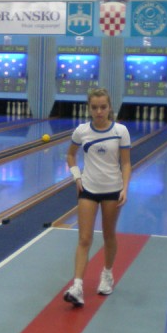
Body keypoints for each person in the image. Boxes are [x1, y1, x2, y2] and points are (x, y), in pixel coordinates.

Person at [63, 88, 131, 307]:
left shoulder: (121, 131)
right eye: (94, 107)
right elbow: (70, 154)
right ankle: (77, 286)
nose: (99, 111)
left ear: (110, 107)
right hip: (88, 190)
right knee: (84, 239)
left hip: (112, 190)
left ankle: (107, 275)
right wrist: (77, 176)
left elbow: (126, 163)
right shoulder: (81, 131)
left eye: (103, 107)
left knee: (109, 235)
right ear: (89, 108)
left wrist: (125, 188)